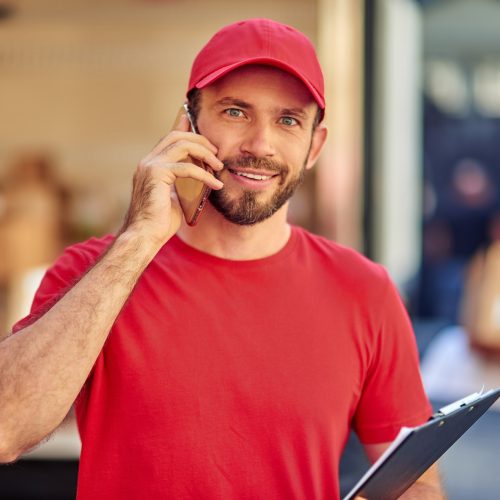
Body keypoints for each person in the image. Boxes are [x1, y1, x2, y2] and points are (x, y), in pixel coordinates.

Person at [0, 18, 443, 499]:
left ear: (315, 145)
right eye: (235, 112)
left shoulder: (364, 290)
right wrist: (137, 241)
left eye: (288, 120)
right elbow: (6, 428)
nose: (260, 145)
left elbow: (419, 484)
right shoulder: (91, 271)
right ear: (187, 124)